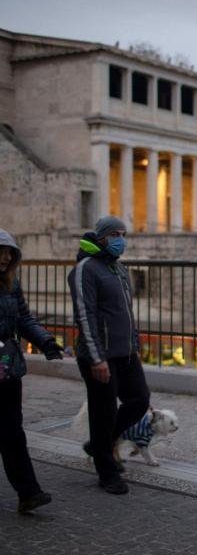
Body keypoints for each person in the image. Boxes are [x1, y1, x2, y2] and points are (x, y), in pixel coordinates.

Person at [68, 216, 150, 495]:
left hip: (125, 353)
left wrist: (134, 344)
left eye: (123, 234)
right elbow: (85, 315)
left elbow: (126, 313)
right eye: (115, 234)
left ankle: (99, 444)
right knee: (102, 413)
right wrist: (97, 358)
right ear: (102, 237)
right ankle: (106, 472)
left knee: (139, 400)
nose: (121, 239)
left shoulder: (119, 269)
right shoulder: (85, 269)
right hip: (99, 355)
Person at [0, 229, 64, 513]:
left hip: (8, 367)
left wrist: (45, 340)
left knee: (13, 431)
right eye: (1, 252)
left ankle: (28, 492)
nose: (5, 258)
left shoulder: (11, 284)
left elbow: (24, 317)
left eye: (9, 253)